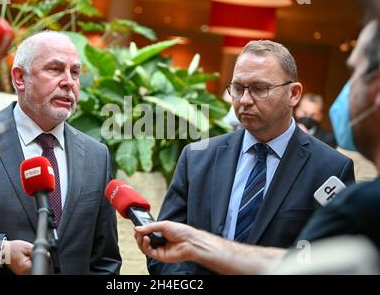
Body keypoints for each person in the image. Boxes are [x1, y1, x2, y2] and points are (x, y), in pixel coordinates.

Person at [135, 19, 380, 275]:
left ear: (294, 94)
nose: (245, 100)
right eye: (238, 88)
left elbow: (334, 262)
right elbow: (163, 249)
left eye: (260, 89)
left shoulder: (330, 168)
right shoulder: (198, 157)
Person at [0, 31, 121, 275]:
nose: (68, 82)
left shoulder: (97, 155)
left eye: (74, 72)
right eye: (54, 69)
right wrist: (0, 250)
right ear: (20, 78)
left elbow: (105, 260)